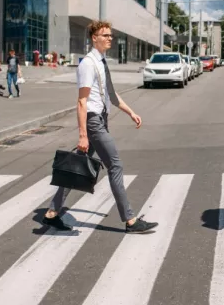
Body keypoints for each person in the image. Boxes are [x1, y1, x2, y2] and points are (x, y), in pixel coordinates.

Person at [42, 20, 158, 233]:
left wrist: (131, 112)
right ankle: (130, 220)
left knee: (77, 165)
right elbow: (81, 102)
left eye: (110, 35)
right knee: (115, 166)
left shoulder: (102, 61)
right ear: (94, 38)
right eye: (105, 35)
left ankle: (51, 213)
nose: (109, 38)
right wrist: (83, 135)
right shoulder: (88, 64)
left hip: (100, 120)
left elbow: (111, 95)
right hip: (93, 122)